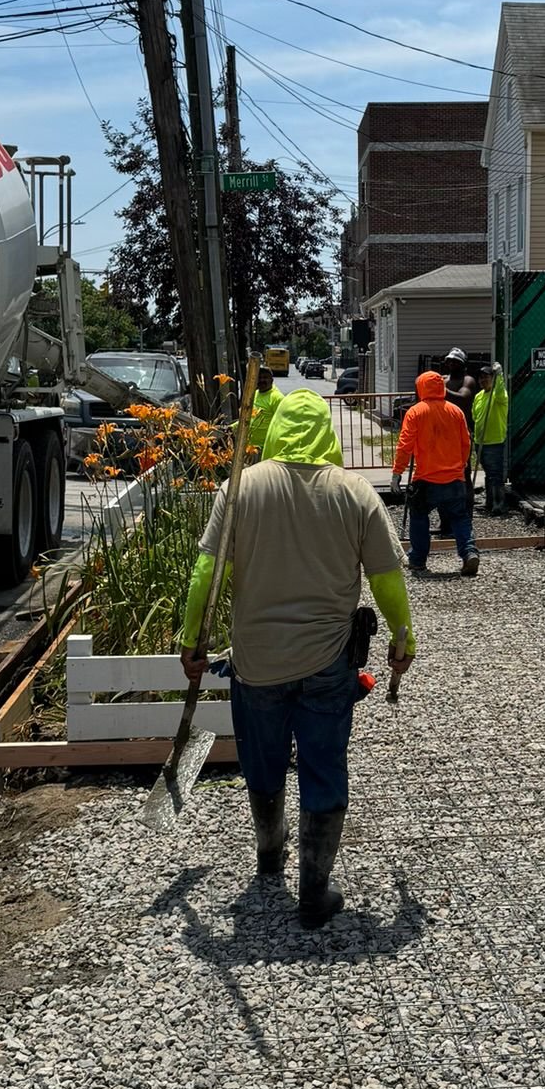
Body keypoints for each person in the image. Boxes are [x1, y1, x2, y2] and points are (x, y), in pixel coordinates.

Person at [178, 390, 414, 927]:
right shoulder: (354, 493)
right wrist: (404, 638)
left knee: (261, 762)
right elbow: (386, 579)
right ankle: (315, 888)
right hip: (329, 665)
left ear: (277, 430)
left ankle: (269, 854)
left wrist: (192, 641)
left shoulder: (241, 489)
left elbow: (204, 575)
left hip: (256, 663)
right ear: (327, 434)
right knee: (322, 765)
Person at [392, 370, 479, 577]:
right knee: (460, 518)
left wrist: (397, 473)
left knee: (419, 517)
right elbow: (466, 443)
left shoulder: (415, 412)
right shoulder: (455, 411)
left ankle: (418, 560)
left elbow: (405, 445)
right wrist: (460, 466)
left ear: (421, 387)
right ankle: (469, 553)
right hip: (454, 478)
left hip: (426, 478)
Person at [472, 361, 510, 516]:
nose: (483, 380)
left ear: (492, 378)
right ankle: (489, 502)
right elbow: (475, 416)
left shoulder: (499, 395)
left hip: (494, 442)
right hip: (480, 442)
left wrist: (499, 375)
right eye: (481, 378)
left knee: (495, 474)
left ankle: (499, 504)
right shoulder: (479, 396)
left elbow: (500, 391)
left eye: (486, 377)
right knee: (489, 473)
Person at [249, 364, 282, 451]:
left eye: (265, 377)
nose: (261, 380)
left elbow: (283, 424)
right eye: (259, 377)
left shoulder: (276, 398)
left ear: (272, 380)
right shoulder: (255, 394)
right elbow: (249, 418)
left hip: (267, 449)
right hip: (251, 447)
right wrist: (231, 427)